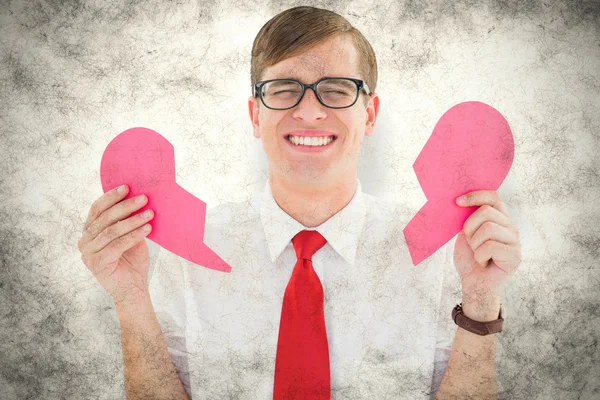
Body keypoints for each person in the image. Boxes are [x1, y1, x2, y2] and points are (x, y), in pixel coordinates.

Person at [78, 6, 522, 400]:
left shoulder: (445, 255)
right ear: (256, 114)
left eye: (335, 88)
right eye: (284, 88)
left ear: (369, 114)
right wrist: (130, 297)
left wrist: (481, 301)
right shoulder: (190, 254)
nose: (309, 112)